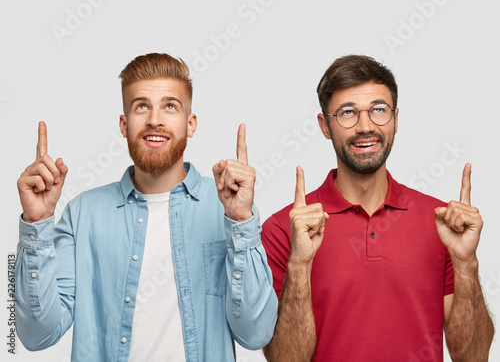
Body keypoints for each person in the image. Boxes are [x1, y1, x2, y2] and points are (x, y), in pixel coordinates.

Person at [15, 53, 277, 362]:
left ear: (190, 124)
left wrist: (241, 221)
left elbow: (255, 333)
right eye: (142, 106)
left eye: (170, 106)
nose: (155, 119)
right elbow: (37, 335)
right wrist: (37, 222)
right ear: (124, 124)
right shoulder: (82, 214)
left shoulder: (228, 206)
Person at [261, 55, 494, 362]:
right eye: (347, 113)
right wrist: (300, 265)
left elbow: (473, 356)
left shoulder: (442, 223)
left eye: (379, 110)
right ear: (325, 126)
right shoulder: (283, 229)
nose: (366, 126)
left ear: (395, 119)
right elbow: (285, 360)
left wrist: (466, 262)